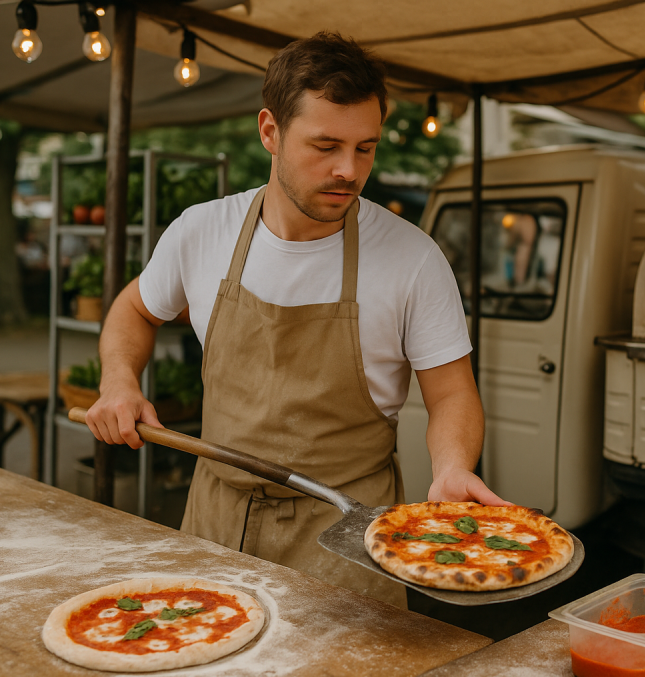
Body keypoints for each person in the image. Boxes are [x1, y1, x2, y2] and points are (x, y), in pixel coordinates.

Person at [84, 32, 507, 609]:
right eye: (325, 145)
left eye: (365, 148)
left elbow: (453, 393)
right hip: (216, 516)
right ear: (270, 131)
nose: (348, 170)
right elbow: (134, 308)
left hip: (345, 533)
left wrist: (453, 467)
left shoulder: (413, 258)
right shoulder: (201, 231)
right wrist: (119, 382)